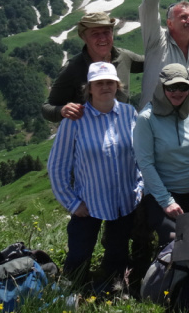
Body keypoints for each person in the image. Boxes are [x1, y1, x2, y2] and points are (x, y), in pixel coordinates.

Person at [48, 62, 142, 292]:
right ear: (89, 88)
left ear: (117, 85)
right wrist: (71, 202)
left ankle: (112, 289)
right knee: (79, 254)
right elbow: (57, 165)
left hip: (125, 201)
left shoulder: (129, 113)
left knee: (117, 251)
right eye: (99, 83)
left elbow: (141, 154)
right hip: (88, 202)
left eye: (110, 82)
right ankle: (72, 291)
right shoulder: (75, 119)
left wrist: (140, 186)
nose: (105, 87)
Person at [133, 64, 189, 248]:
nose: (177, 92)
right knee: (174, 243)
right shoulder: (146, 119)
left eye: (183, 87)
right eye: (171, 87)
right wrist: (166, 201)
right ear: (161, 87)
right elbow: (145, 164)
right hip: (165, 193)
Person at [42, 11, 144, 122]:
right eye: (95, 33)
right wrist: (62, 111)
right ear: (83, 37)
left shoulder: (124, 57)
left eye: (106, 32)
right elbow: (47, 108)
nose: (102, 38)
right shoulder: (72, 68)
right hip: (88, 136)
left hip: (123, 133)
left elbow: (153, 62)